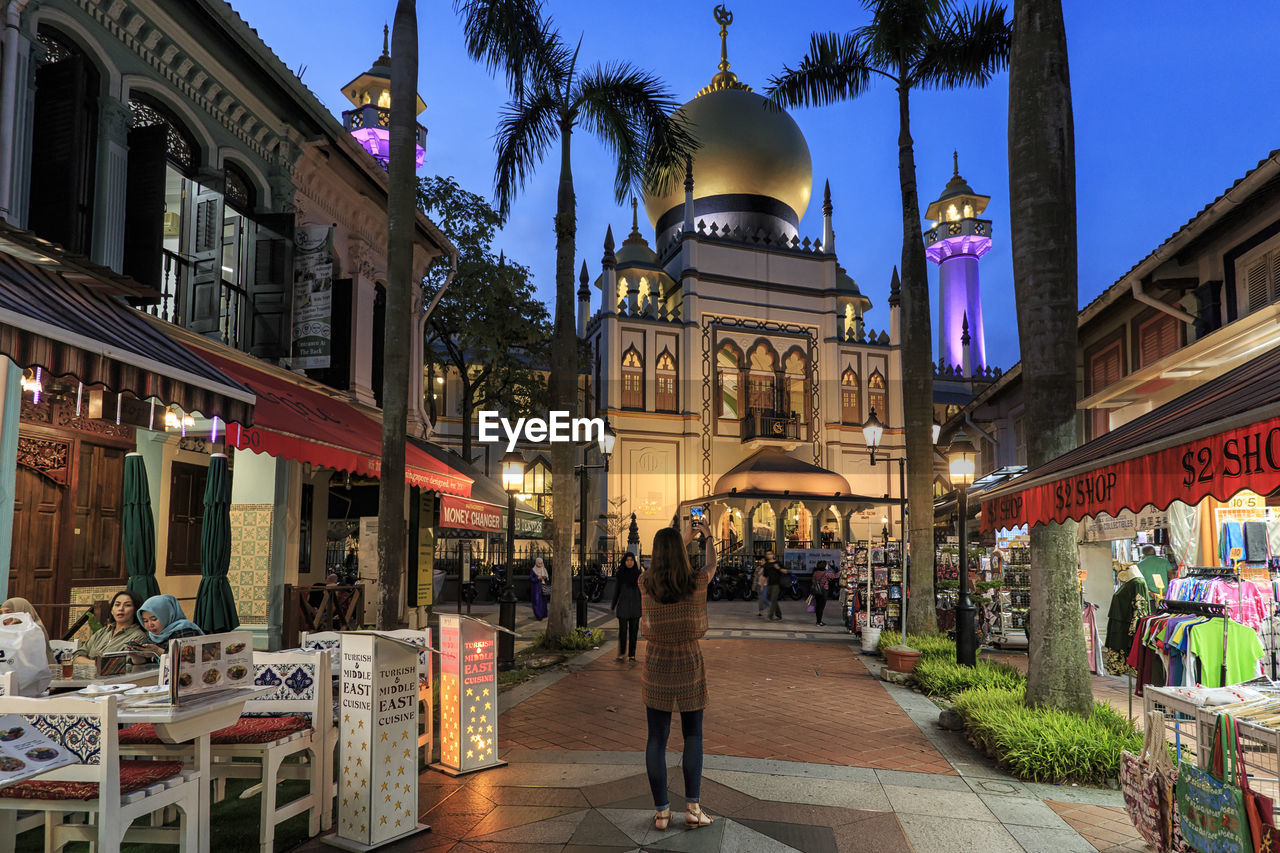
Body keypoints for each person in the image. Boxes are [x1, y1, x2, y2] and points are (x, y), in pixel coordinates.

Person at [640, 520, 715, 831]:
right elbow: (711, 564)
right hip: (688, 663)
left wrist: (679, 540)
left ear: (655, 554)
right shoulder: (696, 581)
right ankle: (693, 808)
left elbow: (666, 563)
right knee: (693, 735)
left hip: (656, 665)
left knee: (656, 739)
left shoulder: (645, 583)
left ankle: (661, 812)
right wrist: (706, 535)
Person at [75, 590, 147, 664]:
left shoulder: (137, 636)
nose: (121, 608)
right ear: (112, 610)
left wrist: (88, 662)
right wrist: (96, 664)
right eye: (117, 605)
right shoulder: (102, 632)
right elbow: (77, 657)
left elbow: (124, 664)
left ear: (136, 610)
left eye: (127, 605)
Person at [133, 594, 204, 656]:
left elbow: (188, 658)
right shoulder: (152, 636)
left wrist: (158, 651)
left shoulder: (185, 630)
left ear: (167, 615)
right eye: (145, 621)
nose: (150, 625)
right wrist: (135, 654)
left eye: (154, 619)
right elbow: (144, 661)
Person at [0, 597, 55, 663]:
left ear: (21, 612)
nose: (4, 616)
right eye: (1, 613)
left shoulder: (36, 630)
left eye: (8, 613)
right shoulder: (4, 630)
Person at [611, 553, 642, 662]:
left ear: (634, 561)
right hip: (623, 606)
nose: (629, 562)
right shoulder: (620, 574)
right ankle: (622, 653)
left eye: (631, 560)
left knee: (634, 632)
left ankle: (632, 655)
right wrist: (613, 606)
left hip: (635, 606)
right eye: (627, 560)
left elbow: (642, 592)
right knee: (623, 632)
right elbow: (616, 591)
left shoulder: (639, 575)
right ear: (624, 561)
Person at [761, 550, 788, 621]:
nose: (769, 555)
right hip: (769, 584)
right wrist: (762, 585)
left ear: (773, 555)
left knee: (773, 600)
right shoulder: (766, 565)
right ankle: (779, 615)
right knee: (774, 600)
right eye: (767, 554)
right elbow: (764, 576)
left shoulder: (778, 563)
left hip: (777, 584)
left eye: (770, 554)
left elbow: (786, 571)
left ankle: (770, 616)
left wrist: (778, 568)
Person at [810, 561, 833, 627]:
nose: (827, 566)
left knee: (818, 606)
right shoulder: (826, 573)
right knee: (821, 607)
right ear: (824, 566)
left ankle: (818, 620)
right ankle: (819, 622)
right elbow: (834, 576)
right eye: (826, 565)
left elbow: (813, 581)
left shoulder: (815, 572)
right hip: (824, 591)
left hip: (817, 591)